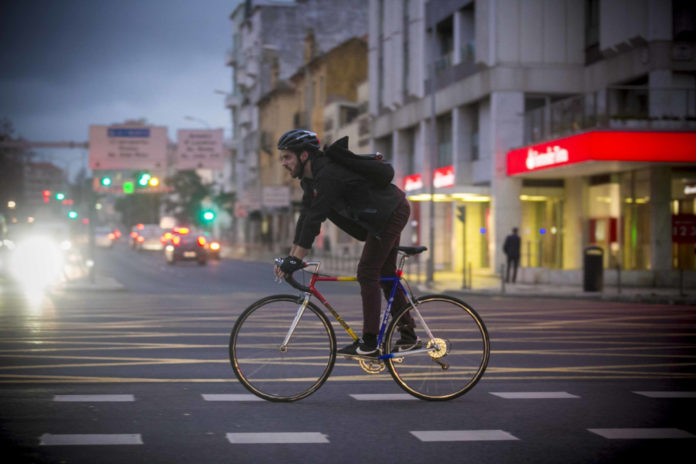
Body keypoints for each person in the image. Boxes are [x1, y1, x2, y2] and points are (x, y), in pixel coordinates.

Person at [273, 129, 417, 357]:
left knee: (367, 272)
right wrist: (292, 258)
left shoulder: (328, 175)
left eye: (287, 157)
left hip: (391, 211)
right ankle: (409, 335)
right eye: (282, 157)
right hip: (381, 215)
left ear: (303, 156)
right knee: (385, 272)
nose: (283, 163)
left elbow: (315, 219)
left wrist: (296, 260)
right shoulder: (310, 181)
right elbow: (305, 218)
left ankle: (370, 342)